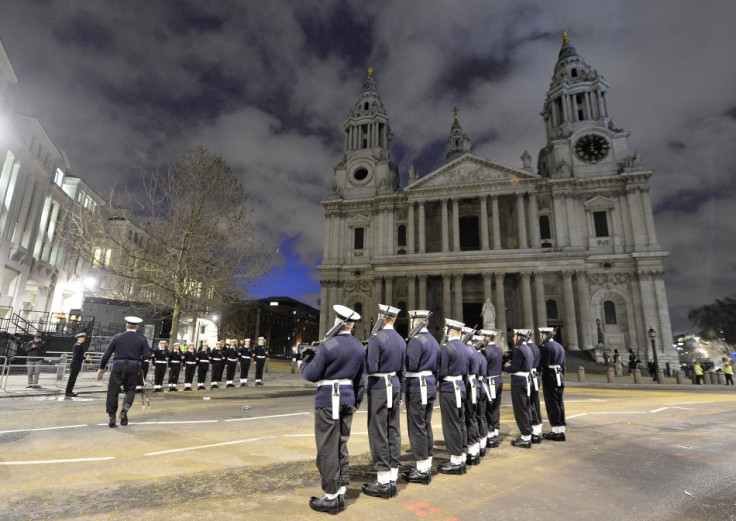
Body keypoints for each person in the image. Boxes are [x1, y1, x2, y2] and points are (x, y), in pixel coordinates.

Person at [299, 305, 365, 515]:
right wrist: (357, 402)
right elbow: (361, 379)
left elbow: (312, 374)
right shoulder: (358, 346)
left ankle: (331, 496)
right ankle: (342, 488)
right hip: (348, 398)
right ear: (351, 325)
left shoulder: (328, 345)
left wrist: (304, 363)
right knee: (341, 444)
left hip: (328, 399)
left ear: (338, 321)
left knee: (327, 447)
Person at [363, 304, 406, 499]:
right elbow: (403, 371)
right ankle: (393, 476)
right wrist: (401, 395)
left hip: (380, 385)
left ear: (382, 317)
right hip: (395, 385)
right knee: (393, 430)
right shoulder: (401, 340)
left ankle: (382, 481)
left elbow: (371, 367)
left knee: (378, 430)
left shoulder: (376, 338)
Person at [402, 310, 440, 486]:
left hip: (417, 386)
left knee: (416, 426)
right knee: (425, 424)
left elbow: (411, 364)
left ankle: (421, 470)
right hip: (430, 384)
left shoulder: (416, 340)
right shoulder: (433, 340)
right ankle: (426, 463)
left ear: (416, 323)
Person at [97, 317, 151, 428]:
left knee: (113, 392)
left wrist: (102, 367)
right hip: (133, 367)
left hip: (117, 366)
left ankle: (112, 418)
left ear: (126, 326)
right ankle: (124, 410)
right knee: (130, 389)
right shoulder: (142, 338)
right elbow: (147, 355)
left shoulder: (117, 337)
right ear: (137, 327)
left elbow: (107, 354)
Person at [437, 318, 469, 475]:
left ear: (450, 331)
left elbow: (441, 371)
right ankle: (461, 456)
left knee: (451, 424)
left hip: (449, 388)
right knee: (460, 422)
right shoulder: (464, 347)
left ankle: (455, 461)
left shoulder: (446, 348)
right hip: (460, 387)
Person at [503, 329, 533, 448]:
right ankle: (527, 434)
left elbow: (514, 367)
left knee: (520, 409)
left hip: (519, 382)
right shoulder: (528, 349)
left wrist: (505, 367)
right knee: (526, 408)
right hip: (526, 380)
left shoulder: (518, 349)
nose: (513, 338)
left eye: (515, 336)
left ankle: (525, 437)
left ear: (519, 337)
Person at [539, 327, 566, 441]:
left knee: (552, 404)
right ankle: (561, 430)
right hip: (559, 376)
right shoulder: (560, 346)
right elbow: (564, 364)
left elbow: (544, 365)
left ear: (544, 335)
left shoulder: (546, 347)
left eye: (541, 335)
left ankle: (555, 431)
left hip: (550, 377)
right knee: (559, 403)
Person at [526, 330, 544, 444]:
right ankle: (538, 429)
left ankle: (535, 430)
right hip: (536, 376)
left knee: (530, 404)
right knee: (535, 402)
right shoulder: (536, 347)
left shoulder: (528, 348)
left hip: (530, 377)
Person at [65, 332, 87, 397]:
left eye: (84, 337)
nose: (84, 338)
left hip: (77, 363)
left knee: (73, 378)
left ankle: (69, 391)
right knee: (72, 378)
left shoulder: (79, 345)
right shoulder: (77, 345)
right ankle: (68, 392)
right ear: (79, 338)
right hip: (76, 363)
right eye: (82, 337)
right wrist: (85, 357)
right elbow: (76, 356)